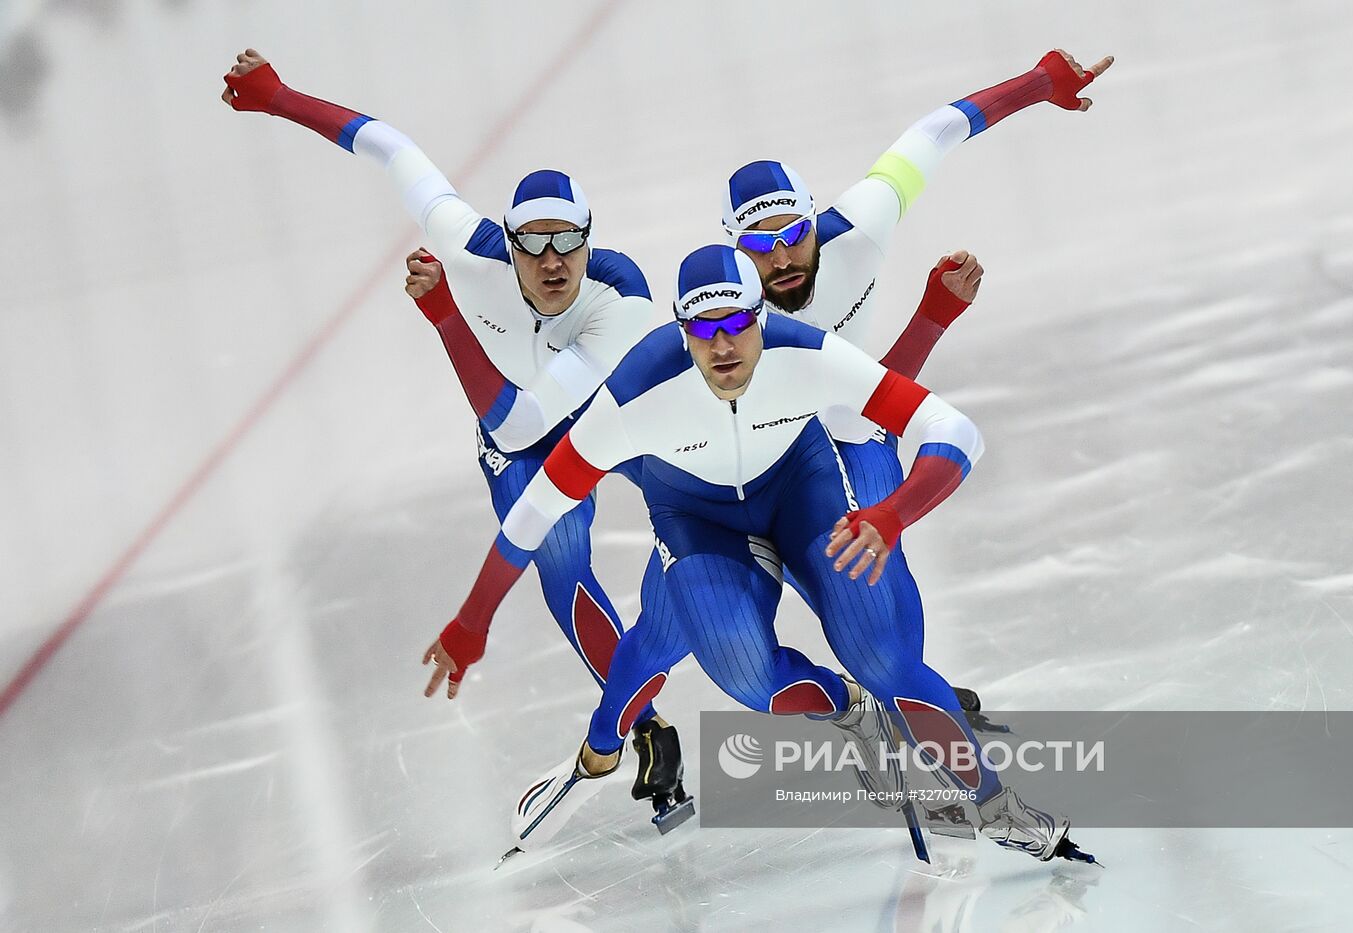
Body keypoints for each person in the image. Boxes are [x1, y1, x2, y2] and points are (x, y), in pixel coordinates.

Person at [424, 246, 1093, 865]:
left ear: (763, 318)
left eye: (738, 323)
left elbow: (956, 432)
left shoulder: (809, 353)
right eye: (703, 329)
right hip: (697, 522)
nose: (722, 346)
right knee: (738, 673)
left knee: (885, 654)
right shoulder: (631, 398)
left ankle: (996, 805)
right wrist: (472, 621)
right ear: (681, 331)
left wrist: (891, 514)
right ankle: (843, 706)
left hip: (800, 491)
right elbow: (532, 516)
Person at [220, 49, 682, 801]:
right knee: (562, 573)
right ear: (507, 241)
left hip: (600, 418)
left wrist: (443, 319)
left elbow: (529, 413)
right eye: (532, 243)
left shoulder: (620, 296)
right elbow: (389, 146)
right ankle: (649, 726)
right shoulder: (474, 252)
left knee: (714, 507)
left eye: (568, 240)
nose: (551, 260)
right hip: (523, 447)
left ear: (591, 240)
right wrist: (279, 98)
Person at [719, 48, 1113, 719]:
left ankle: (904, 687)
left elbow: (934, 133)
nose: (781, 259)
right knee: (796, 609)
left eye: (792, 235)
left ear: (816, 220)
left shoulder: (862, 226)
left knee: (878, 591)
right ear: (733, 249)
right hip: (767, 457)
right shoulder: (721, 315)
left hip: (853, 428)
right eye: (758, 247)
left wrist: (1042, 80)